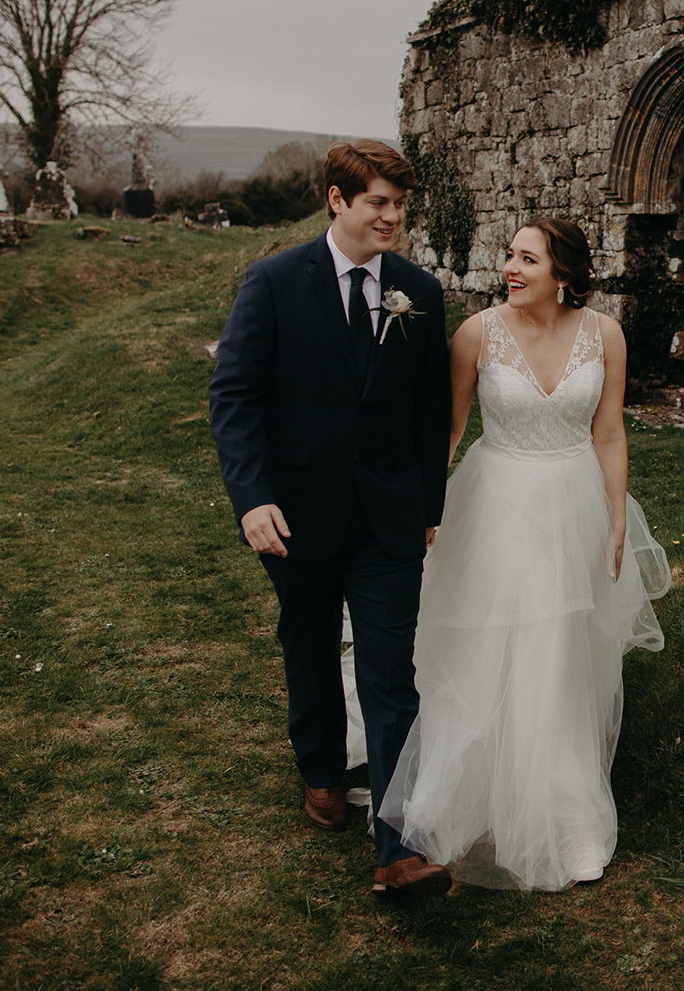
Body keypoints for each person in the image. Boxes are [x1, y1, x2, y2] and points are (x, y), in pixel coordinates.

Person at [377, 216, 670, 892]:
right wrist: (429, 510)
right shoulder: (477, 334)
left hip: (574, 504)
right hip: (496, 499)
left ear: (563, 275)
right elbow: (449, 428)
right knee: (491, 645)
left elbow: (609, 434)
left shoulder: (606, 336)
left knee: (562, 652)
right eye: (509, 256)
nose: (509, 267)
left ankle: (566, 811)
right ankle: (465, 794)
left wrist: (618, 515)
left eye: (527, 259)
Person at [208, 139, 454, 897]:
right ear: (337, 200)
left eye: (399, 205)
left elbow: (428, 410)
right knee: (309, 647)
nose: (392, 217)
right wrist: (252, 499)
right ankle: (318, 767)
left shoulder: (419, 290)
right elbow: (235, 398)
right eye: (378, 202)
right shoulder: (275, 282)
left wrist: (426, 508)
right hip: (295, 516)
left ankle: (400, 843)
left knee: (390, 675)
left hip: (387, 522)